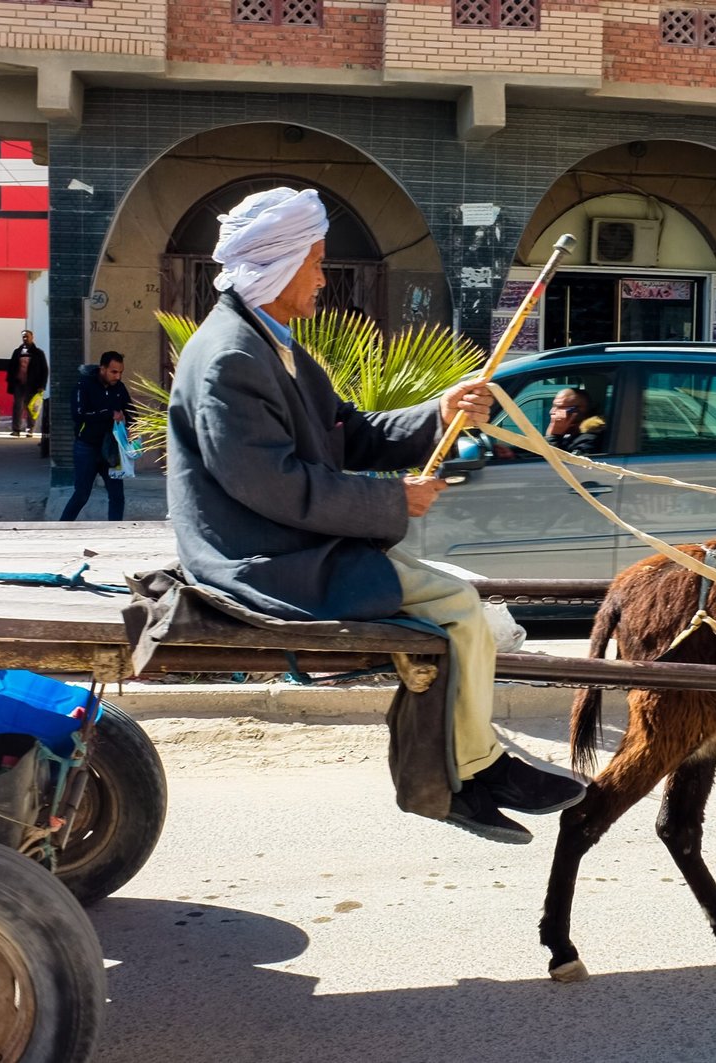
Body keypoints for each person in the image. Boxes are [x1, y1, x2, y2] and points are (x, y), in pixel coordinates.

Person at [167, 186, 585, 845]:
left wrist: (439, 412)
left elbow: (350, 433)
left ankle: (470, 764)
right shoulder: (232, 359)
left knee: (455, 601)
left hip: (292, 544)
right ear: (278, 266)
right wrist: (392, 501)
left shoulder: (270, 345)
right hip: (262, 560)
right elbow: (270, 485)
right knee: (457, 605)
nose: (321, 278)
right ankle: (472, 773)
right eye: (314, 263)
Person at [59, 350, 133, 522]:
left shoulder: (119, 388)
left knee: (117, 495)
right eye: (114, 372)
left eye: (120, 372)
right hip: (87, 448)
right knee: (82, 494)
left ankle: (115, 531)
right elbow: (78, 415)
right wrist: (108, 413)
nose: (118, 376)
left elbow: (131, 411)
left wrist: (132, 427)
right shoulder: (83, 386)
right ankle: (62, 528)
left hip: (111, 450)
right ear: (102, 368)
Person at [7, 329, 49, 437]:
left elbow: (44, 370)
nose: (25, 338)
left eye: (27, 336)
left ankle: (30, 429)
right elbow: (11, 368)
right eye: (24, 337)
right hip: (19, 384)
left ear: (32, 337)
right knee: (18, 407)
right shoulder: (17, 352)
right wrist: (10, 382)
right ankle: (16, 429)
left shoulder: (38, 353)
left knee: (31, 408)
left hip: (33, 385)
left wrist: (42, 385)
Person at [543, 387, 606, 455]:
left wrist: (553, 436)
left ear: (574, 411)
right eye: (553, 406)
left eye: (559, 407)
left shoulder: (589, 440)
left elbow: (551, 460)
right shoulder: (568, 435)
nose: (551, 412)